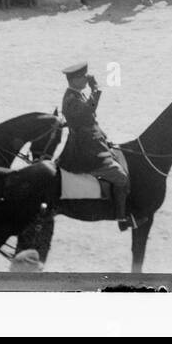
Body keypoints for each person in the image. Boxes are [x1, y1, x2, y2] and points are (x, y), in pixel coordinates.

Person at [59, 63, 133, 227]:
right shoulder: (72, 99)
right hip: (87, 152)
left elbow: (90, 122)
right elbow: (87, 113)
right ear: (75, 79)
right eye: (83, 77)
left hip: (93, 145)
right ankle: (121, 218)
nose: (86, 79)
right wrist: (96, 89)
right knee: (121, 177)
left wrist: (104, 139)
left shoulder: (77, 95)